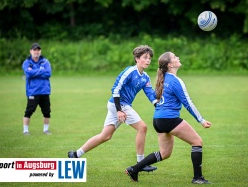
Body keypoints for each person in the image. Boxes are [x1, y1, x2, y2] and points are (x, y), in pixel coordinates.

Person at [125, 52, 212, 184]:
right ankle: (198, 178)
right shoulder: (175, 81)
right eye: (175, 57)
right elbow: (188, 103)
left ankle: (134, 169)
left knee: (165, 153)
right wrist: (202, 120)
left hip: (158, 120)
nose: (178, 57)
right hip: (169, 119)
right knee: (197, 142)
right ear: (170, 64)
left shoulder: (163, 78)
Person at [68, 45, 158, 172]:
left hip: (121, 106)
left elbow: (150, 94)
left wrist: (157, 104)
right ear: (137, 59)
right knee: (142, 127)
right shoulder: (129, 72)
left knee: (105, 136)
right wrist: (119, 110)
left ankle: (76, 154)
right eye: (145, 57)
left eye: (149, 58)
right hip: (119, 104)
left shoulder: (145, 77)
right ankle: (141, 163)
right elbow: (115, 88)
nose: (148, 60)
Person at [22, 43, 52, 135]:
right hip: (33, 91)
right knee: (29, 110)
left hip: (44, 91)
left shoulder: (45, 62)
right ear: (31, 51)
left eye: (38, 50)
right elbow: (28, 74)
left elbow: (48, 73)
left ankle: (46, 130)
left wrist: (34, 72)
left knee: (46, 111)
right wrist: (41, 71)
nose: (36, 52)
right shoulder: (27, 62)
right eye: (34, 50)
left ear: (40, 51)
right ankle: (25, 130)